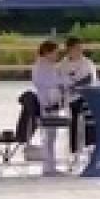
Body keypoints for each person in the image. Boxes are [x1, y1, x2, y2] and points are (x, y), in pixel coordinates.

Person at [19, 41, 68, 175]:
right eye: (55, 53)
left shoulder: (47, 66)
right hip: (47, 104)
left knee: (50, 137)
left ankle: (50, 166)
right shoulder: (42, 67)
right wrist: (65, 83)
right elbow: (53, 82)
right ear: (47, 52)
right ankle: (48, 167)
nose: (57, 55)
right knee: (49, 137)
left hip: (50, 103)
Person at [60, 37, 99, 152]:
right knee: (75, 114)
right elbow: (64, 83)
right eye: (76, 48)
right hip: (71, 98)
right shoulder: (63, 65)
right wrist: (75, 85)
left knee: (90, 108)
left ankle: (91, 144)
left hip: (87, 96)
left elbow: (92, 80)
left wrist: (78, 85)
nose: (79, 50)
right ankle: (74, 148)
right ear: (69, 49)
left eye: (80, 48)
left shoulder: (87, 63)